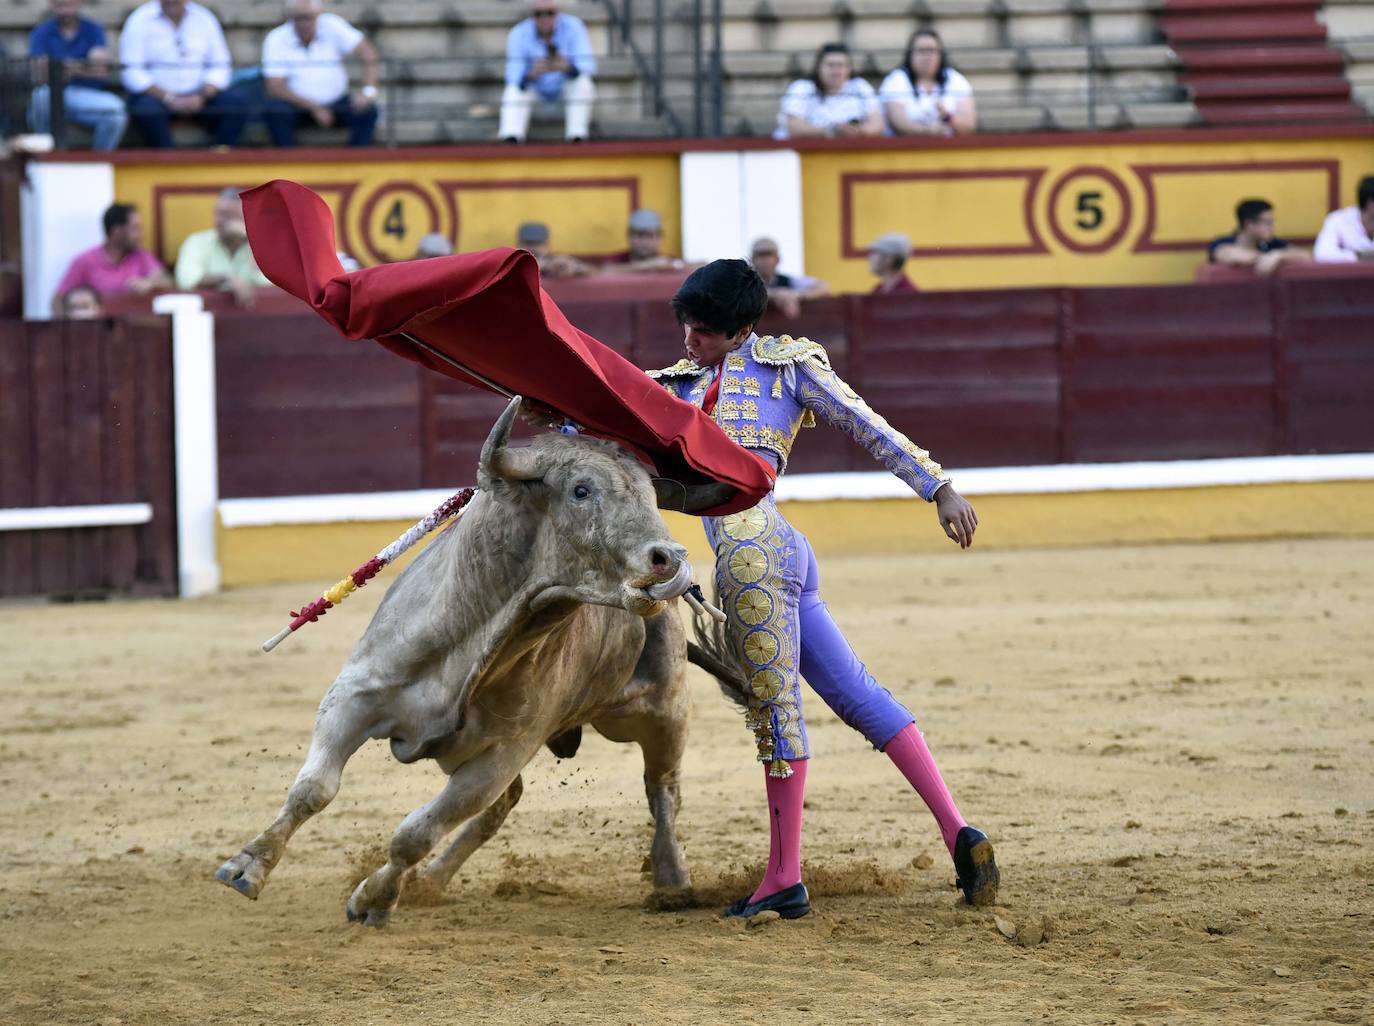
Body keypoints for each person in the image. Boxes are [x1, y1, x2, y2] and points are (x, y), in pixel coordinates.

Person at [646, 260, 996, 920]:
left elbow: (865, 422)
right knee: (857, 695)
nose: (690, 338)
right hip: (784, 551)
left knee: (776, 711)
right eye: (685, 324)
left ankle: (784, 878)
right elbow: (601, 415)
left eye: (705, 330)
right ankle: (960, 833)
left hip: (753, 552)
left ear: (743, 328)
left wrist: (939, 488)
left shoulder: (787, 366)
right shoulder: (672, 385)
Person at [119, 0, 252, 148]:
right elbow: (131, 72)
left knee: (236, 102)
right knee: (146, 108)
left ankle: (220, 157)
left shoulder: (204, 18)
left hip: (201, 98)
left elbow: (221, 66)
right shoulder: (139, 20)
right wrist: (170, 98)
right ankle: (166, 162)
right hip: (159, 99)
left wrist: (201, 96)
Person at [261, 0, 380, 148]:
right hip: (298, 107)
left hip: (337, 103)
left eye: (308, 17)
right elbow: (275, 87)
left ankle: (356, 161)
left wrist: (368, 92)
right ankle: (288, 161)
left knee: (368, 110)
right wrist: (313, 107)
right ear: (290, 17)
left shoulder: (333, 25)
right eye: (299, 18)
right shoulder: (276, 38)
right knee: (275, 110)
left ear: (319, 15)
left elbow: (368, 54)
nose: (304, 23)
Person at [27, 0, 128, 150]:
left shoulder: (94, 29)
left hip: (87, 96)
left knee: (116, 111)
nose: (64, 3)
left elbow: (100, 71)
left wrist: (62, 68)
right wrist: (84, 65)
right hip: (53, 94)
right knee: (40, 97)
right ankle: (47, 155)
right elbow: (38, 75)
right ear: (51, 4)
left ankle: (100, 160)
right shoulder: (40, 32)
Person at [498, 1, 596, 143]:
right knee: (513, 90)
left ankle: (577, 138)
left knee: (583, 83)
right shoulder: (518, 32)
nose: (544, 18)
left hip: (565, 91)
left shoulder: (574, 26)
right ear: (531, 15)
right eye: (538, 14)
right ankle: (511, 139)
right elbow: (513, 76)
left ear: (558, 13)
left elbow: (588, 66)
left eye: (549, 13)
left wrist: (567, 67)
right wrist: (531, 74)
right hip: (535, 92)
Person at [52, 202, 171, 311]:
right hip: (97, 330)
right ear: (117, 232)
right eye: (135, 229)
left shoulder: (141, 256)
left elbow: (167, 281)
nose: (141, 234)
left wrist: (150, 282)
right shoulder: (85, 261)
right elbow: (57, 302)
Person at [174, 188, 272, 306]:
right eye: (218, 213)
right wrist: (226, 278)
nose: (219, 221)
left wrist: (250, 238)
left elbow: (268, 283)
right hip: (209, 316)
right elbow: (186, 280)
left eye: (228, 216)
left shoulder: (263, 246)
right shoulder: (197, 242)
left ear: (247, 220)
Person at [775, 42, 883, 140]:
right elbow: (795, 128)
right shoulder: (802, 87)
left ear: (849, 68)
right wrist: (832, 130)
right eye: (830, 65)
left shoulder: (860, 86)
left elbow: (878, 125)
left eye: (841, 65)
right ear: (818, 67)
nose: (836, 71)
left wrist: (857, 131)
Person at [880, 28, 976, 137]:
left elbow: (969, 124)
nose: (927, 57)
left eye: (932, 50)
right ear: (910, 55)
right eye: (921, 51)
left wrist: (947, 117)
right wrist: (929, 130)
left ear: (941, 55)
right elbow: (898, 123)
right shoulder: (896, 80)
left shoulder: (956, 79)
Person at [1207, 199, 1310, 275]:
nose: (1272, 227)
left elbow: (1305, 255)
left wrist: (1278, 256)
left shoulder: (1271, 244)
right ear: (1249, 224)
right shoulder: (1222, 243)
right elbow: (1230, 255)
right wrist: (1264, 258)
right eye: (1267, 223)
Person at [748, 236, 828, 318]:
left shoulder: (788, 280)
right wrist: (776, 294)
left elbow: (823, 286)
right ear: (752, 260)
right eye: (761, 256)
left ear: (777, 259)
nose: (765, 261)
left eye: (769, 255)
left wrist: (796, 295)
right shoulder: (746, 282)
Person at [602, 209, 689, 273]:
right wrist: (648, 265)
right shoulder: (616, 260)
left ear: (660, 238)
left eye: (650, 236)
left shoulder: (667, 262)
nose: (644, 242)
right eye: (639, 236)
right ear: (629, 236)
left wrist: (675, 266)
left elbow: (697, 268)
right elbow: (604, 272)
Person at [1313, 175, 1374, 263]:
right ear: (1370, 203)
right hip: (1352, 276)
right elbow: (1321, 253)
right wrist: (1358, 256)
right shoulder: (1338, 220)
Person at [517, 221, 593, 278]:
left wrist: (570, 268)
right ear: (519, 244)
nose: (534, 247)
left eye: (538, 243)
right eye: (529, 243)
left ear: (547, 244)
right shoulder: (514, 262)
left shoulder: (555, 259)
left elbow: (591, 271)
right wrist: (541, 267)